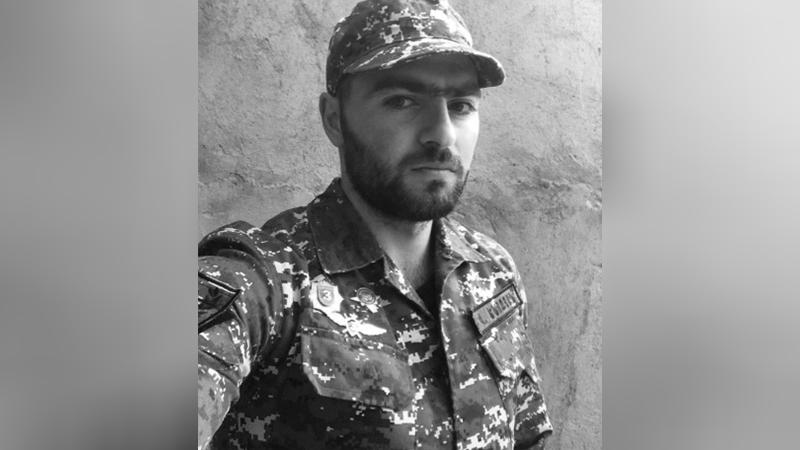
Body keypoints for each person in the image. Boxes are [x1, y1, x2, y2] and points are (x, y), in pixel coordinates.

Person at [198, 0, 553, 448]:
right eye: (402, 101)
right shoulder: (267, 278)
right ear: (334, 120)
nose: (442, 134)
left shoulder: (492, 273)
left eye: (461, 105)